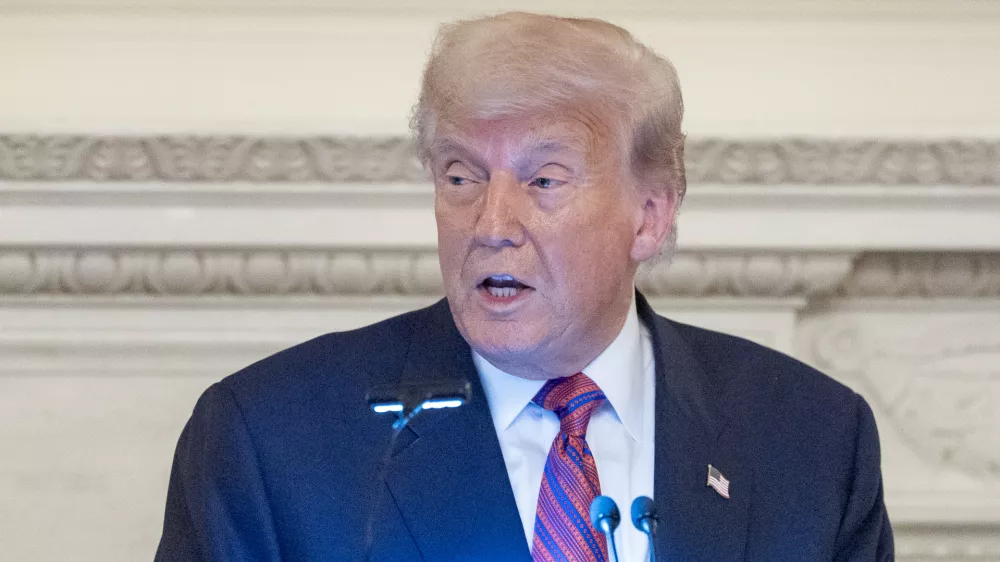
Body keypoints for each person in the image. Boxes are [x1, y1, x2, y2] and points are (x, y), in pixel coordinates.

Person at [155, 12, 893, 561]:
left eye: (543, 180)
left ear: (650, 216)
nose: (491, 222)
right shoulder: (269, 440)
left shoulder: (811, 437)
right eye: (460, 176)